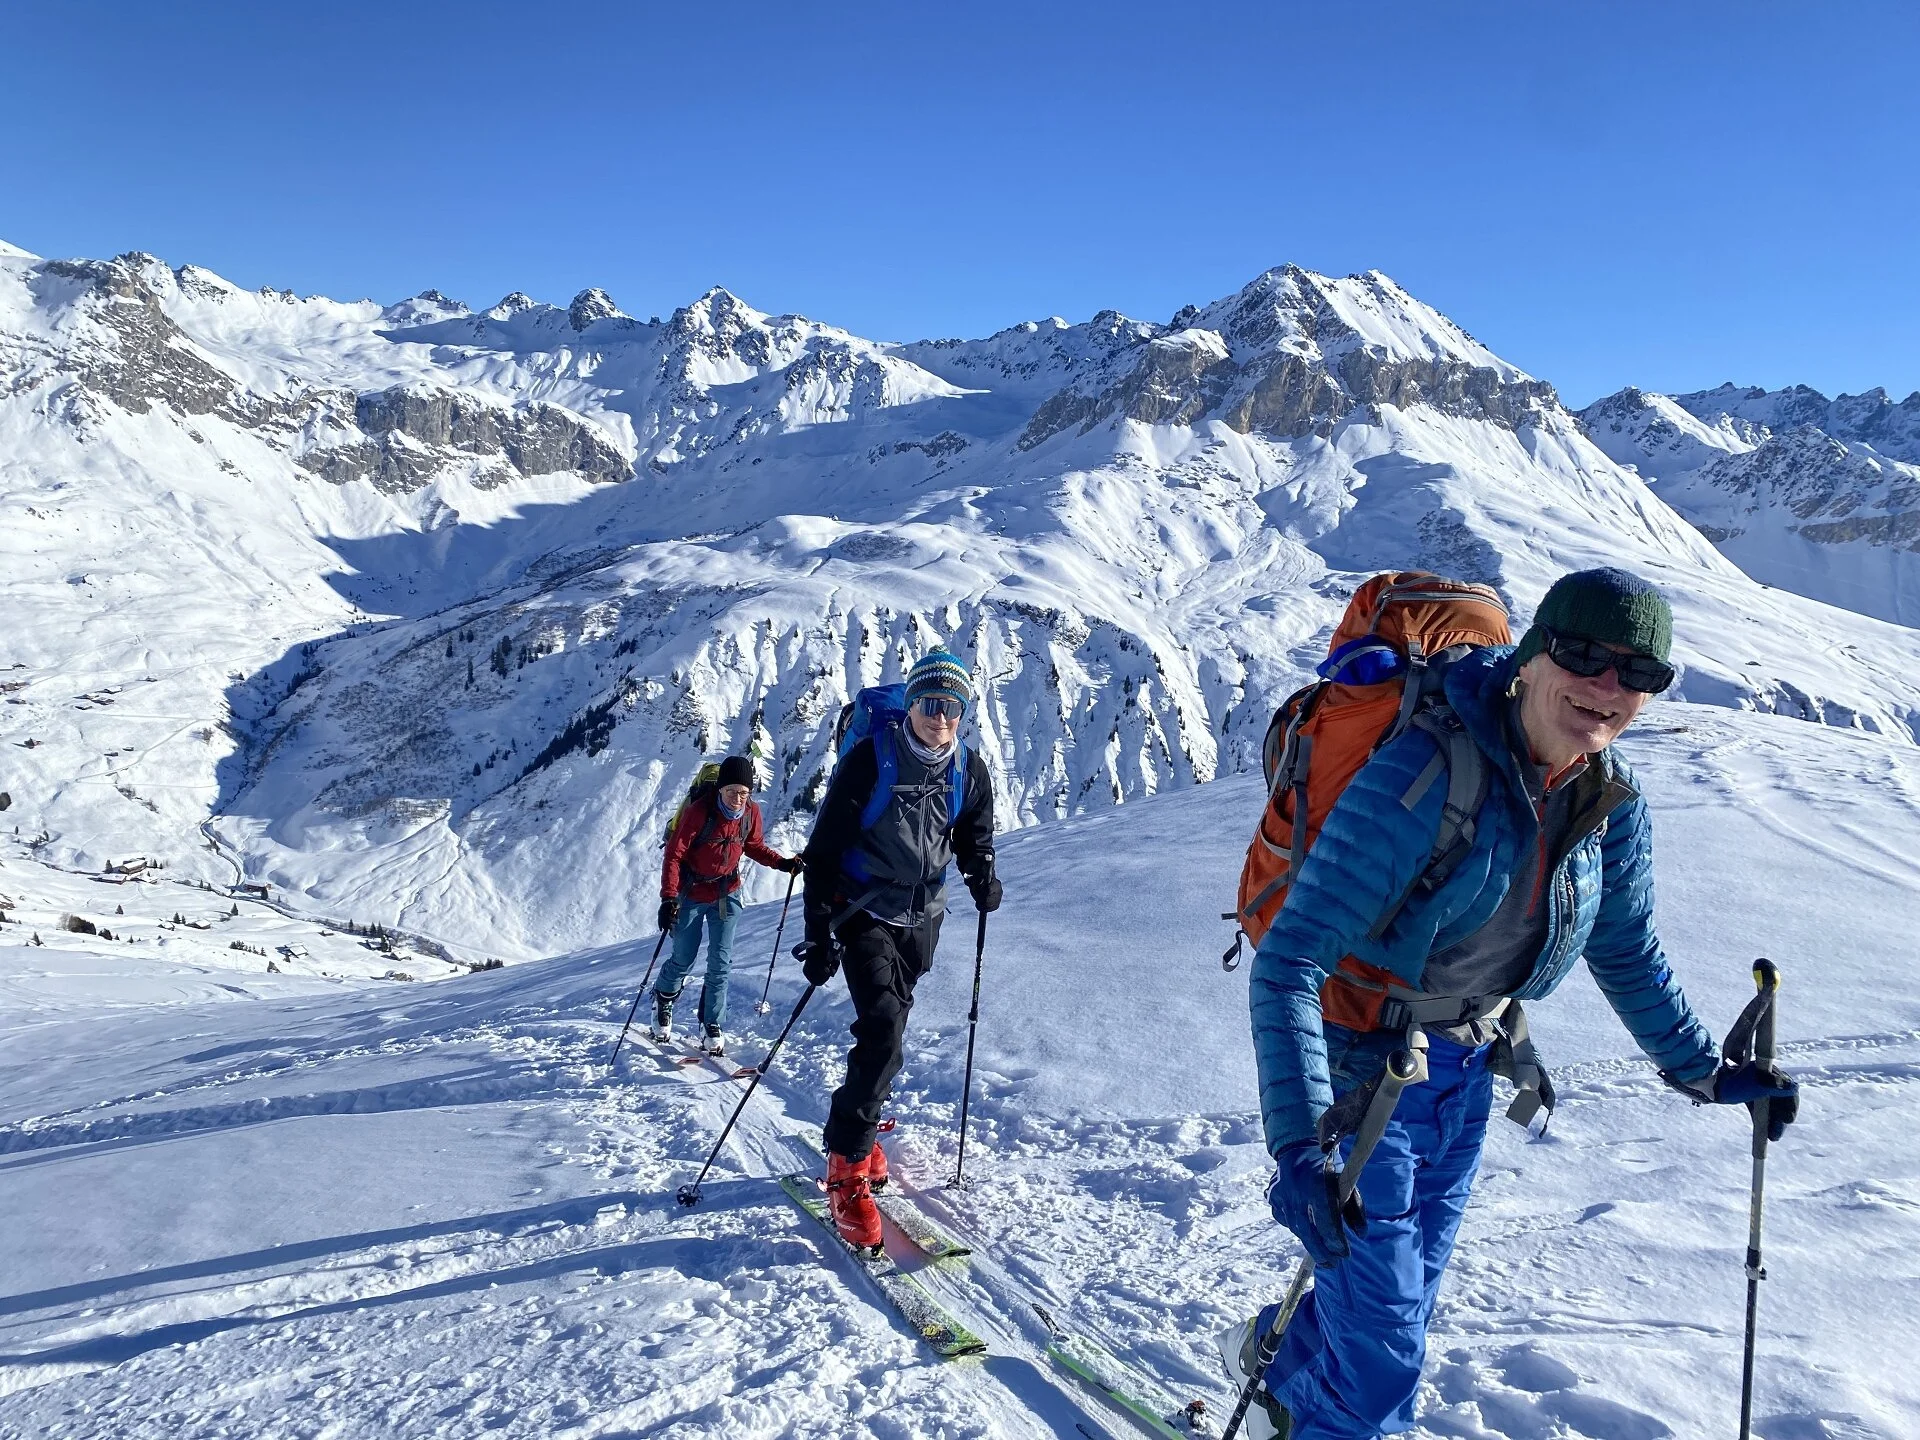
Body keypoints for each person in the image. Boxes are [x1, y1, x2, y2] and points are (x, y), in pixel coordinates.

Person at [1238, 568, 1801, 1439]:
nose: (1606, 687)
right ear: (1534, 655)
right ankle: (1323, 1410)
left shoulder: (1607, 799)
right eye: (1584, 654)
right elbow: (1290, 963)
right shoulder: (1420, 774)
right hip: (1362, 1076)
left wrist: (1706, 1072)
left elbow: (1624, 948)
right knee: (1387, 1357)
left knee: (1400, 1302)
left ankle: (1298, 1391)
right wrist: (1299, 1145)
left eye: (1638, 673)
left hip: (1464, 1072)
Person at [798, 649, 1000, 1248]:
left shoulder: (969, 769)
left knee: (890, 1033)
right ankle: (846, 1169)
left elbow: (973, 833)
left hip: (921, 917)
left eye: (952, 707)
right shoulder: (868, 761)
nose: (940, 717)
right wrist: (817, 933)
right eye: (929, 704)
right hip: (862, 911)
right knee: (884, 1029)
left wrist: (980, 871)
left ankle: (861, 1131)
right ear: (910, 706)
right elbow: (824, 851)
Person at [651, 754, 801, 1056]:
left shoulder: (751, 814)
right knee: (683, 958)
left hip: (726, 892)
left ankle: (711, 1023)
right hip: (691, 893)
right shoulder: (698, 813)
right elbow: (675, 855)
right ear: (719, 790)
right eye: (732, 791)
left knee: (720, 963)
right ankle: (664, 999)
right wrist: (669, 898)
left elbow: (753, 846)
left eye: (744, 792)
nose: (738, 798)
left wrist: (782, 863)